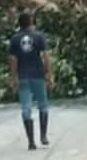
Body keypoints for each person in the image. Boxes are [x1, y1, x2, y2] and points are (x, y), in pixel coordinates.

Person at [8, 11, 54, 151]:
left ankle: (31, 142)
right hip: (38, 75)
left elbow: (12, 60)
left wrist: (13, 77)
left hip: (23, 77)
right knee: (43, 105)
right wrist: (50, 74)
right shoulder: (39, 36)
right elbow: (46, 56)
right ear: (31, 22)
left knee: (26, 108)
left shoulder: (15, 39)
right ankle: (43, 136)